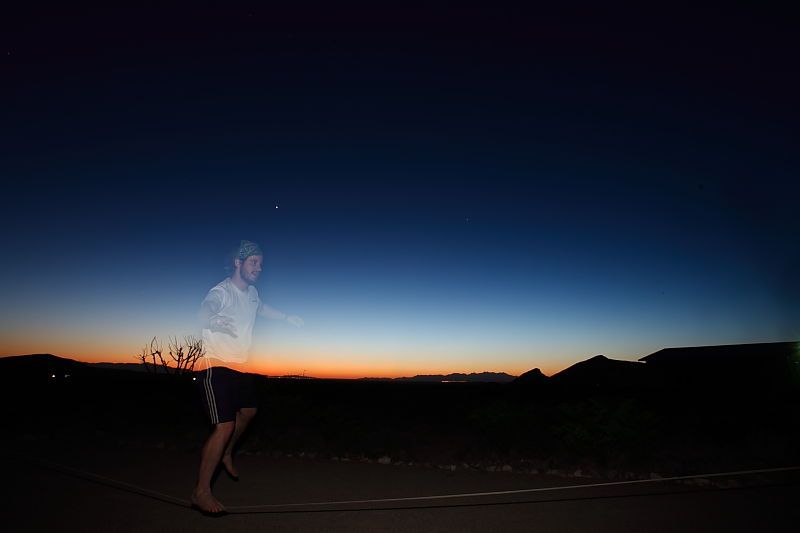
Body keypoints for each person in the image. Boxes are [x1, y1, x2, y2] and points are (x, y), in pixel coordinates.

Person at [191, 240, 303, 516]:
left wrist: (287, 317)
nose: (259, 267)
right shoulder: (222, 291)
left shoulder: (252, 293)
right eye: (254, 262)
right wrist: (212, 321)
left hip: (240, 368)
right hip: (215, 367)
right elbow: (204, 310)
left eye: (261, 263)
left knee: (250, 411)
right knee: (224, 426)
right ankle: (201, 491)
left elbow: (262, 308)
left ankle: (226, 452)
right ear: (238, 263)